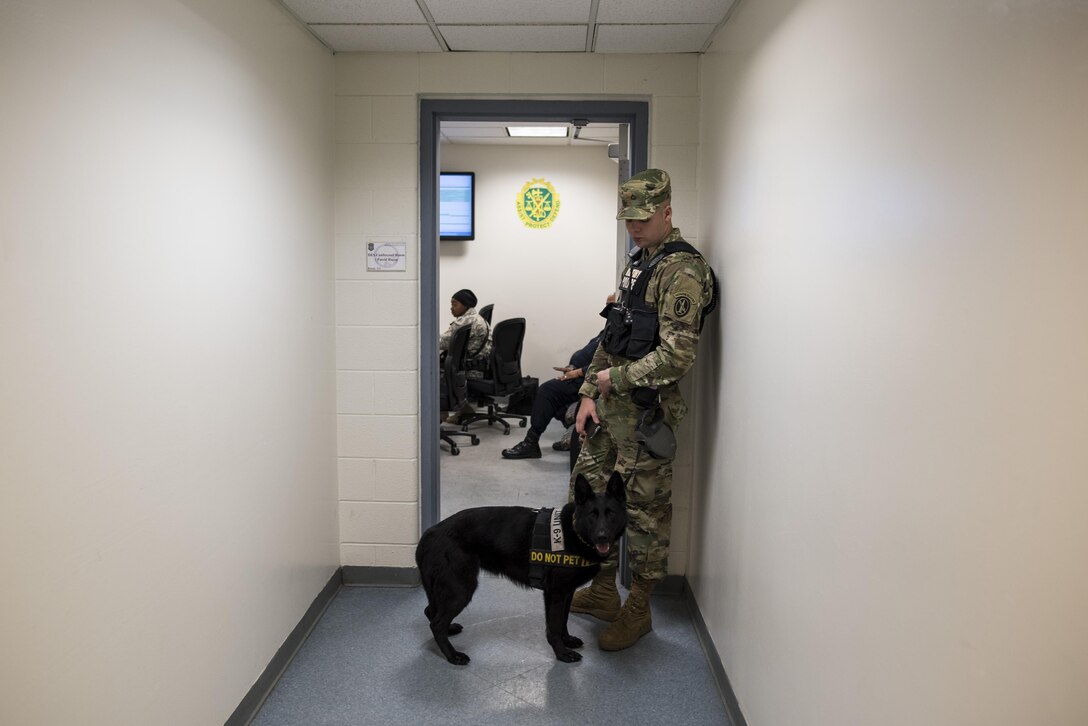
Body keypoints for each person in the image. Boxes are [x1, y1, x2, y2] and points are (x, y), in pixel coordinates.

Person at [569, 169, 717, 652]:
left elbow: (678, 354)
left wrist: (620, 379)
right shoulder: (639, 262)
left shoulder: (684, 271)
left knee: (646, 515)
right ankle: (604, 592)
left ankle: (640, 609)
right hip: (610, 412)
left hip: (646, 418)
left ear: (667, 212)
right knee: (595, 502)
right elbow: (613, 337)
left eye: (643, 217)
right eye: (628, 218)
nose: (634, 227)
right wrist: (590, 391)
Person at [500, 331, 603, 460]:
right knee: (550, 395)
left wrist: (579, 372)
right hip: (582, 376)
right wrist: (573, 367)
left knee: (548, 391)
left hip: (592, 380)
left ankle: (530, 442)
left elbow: (607, 363)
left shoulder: (622, 330)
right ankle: (565, 439)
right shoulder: (609, 327)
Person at [439, 289, 492, 422]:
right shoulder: (478, 318)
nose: (451, 308)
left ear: (465, 305)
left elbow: (441, 342)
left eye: (455, 304)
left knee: (436, 369)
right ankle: (464, 409)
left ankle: (441, 412)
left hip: (470, 371)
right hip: (480, 367)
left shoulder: (465, 321)